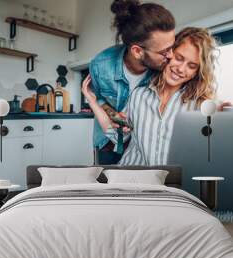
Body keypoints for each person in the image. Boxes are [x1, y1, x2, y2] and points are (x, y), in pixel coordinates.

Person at [83, 27, 218, 165]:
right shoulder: (139, 95)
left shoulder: (199, 107)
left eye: (192, 66)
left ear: (197, 72)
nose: (181, 69)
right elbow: (118, 137)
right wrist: (93, 102)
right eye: (179, 58)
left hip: (170, 183)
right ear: (169, 54)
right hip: (132, 177)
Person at [89, 0, 176, 164]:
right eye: (164, 52)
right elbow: (98, 97)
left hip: (144, 146)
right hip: (109, 144)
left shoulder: (166, 67)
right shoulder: (100, 65)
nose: (171, 56)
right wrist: (115, 116)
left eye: (172, 46)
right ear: (137, 51)